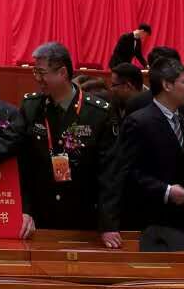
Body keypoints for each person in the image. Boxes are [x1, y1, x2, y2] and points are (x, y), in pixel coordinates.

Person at [18, 41, 121, 248]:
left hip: (84, 218)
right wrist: (25, 210)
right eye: (35, 72)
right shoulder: (31, 106)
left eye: (42, 73)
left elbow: (109, 173)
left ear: (62, 72)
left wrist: (108, 223)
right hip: (40, 217)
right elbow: (23, 166)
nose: (37, 78)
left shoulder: (98, 112)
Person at [119, 56, 184, 229]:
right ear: (167, 85)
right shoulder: (138, 122)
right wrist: (166, 191)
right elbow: (128, 171)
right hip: (154, 218)